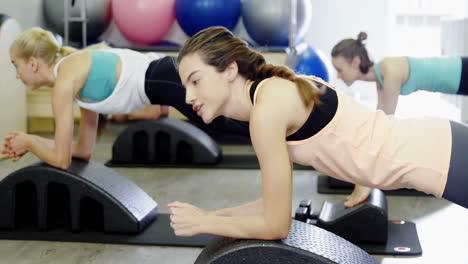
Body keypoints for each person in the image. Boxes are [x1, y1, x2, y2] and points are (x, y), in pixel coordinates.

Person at [168, 26, 468, 240]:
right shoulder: (271, 95)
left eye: (196, 81)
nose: (189, 96)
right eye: (185, 87)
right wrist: (210, 216)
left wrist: (204, 223)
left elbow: (275, 226)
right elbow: (270, 205)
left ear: (230, 70)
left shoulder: (266, 112)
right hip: (441, 147)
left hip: (442, 159)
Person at [1, 27, 249, 168]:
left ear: (32, 63)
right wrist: (31, 139)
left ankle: (285, 132)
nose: (16, 75)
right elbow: (82, 151)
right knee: (234, 123)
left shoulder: (64, 83)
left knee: (230, 125)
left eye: (16, 65)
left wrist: (30, 143)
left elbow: (61, 160)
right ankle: (283, 133)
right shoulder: (74, 80)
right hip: (162, 78)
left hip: (163, 77)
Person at [330, 32, 468, 207]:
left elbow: (384, 130)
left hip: (463, 72)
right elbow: (380, 123)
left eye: (339, 70)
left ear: (355, 62)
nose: (338, 76)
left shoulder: (389, 71)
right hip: (460, 77)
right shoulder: (381, 76)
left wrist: (363, 183)